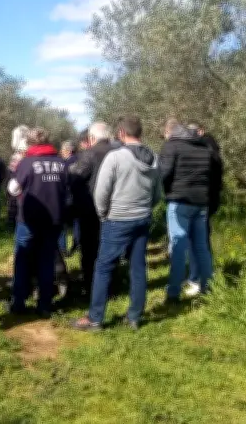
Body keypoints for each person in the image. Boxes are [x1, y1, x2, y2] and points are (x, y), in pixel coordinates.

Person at [71, 116, 160, 331]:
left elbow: (102, 191)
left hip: (118, 218)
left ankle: (95, 318)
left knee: (103, 267)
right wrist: (146, 208)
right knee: (138, 267)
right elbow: (157, 193)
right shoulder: (154, 158)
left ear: (120, 133)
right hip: (142, 217)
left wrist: (103, 214)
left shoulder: (116, 157)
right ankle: (134, 317)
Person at [7, 128, 69, 318]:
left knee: (23, 258)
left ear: (31, 143)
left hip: (29, 219)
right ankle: (44, 304)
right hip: (54, 219)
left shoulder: (27, 163)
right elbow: (67, 189)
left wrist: (21, 196)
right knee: (46, 260)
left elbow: (13, 187)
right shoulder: (61, 163)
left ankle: (18, 302)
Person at [161, 119, 221, 301]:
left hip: (179, 202)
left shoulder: (172, 146)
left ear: (170, 132)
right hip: (201, 202)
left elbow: (164, 174)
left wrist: (165, 191)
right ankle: (207, 287)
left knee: (178, 246)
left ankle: (173, 292)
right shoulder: (204, 147)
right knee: (201, 247)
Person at [68, 122, 115, 296]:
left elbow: (76, 178)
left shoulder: (89, 154)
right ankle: (110, 286)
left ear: (92, 138)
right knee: (109, 248)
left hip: (90, 209)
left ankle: (90, 287)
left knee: (89, 250)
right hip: (114, 208)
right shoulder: (118, 151)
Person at [58, 140, 80, 256]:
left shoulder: (64, 164)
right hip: (79, 197)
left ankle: (63, 249)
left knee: (63, 225)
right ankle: (77, 244)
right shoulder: (81, 160)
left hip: (67, 197)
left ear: (68, 150)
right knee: (78, 222)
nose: (61, 152)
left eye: (62, 150)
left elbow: (63, 181)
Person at [6, 125, 30, 231]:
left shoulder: (18, 154)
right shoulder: (27, 151)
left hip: (17, 180)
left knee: (14, 200)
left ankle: (13, 222)